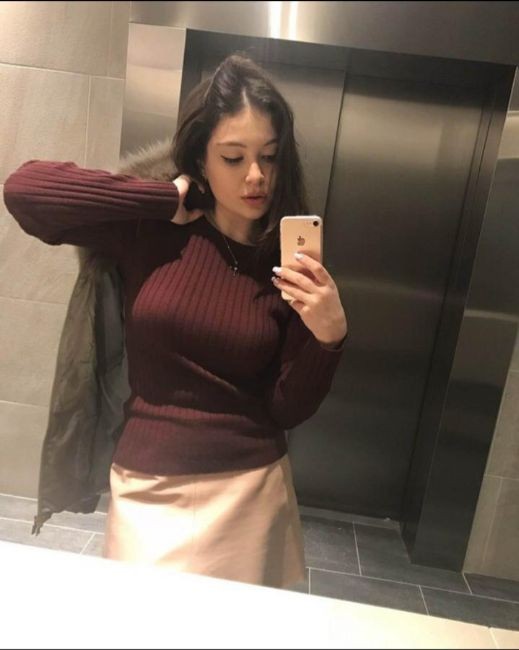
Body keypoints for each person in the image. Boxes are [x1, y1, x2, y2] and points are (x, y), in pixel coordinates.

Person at [3, 53, 348, 589]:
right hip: (147, 489)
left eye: (269, 156)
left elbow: (287, 408)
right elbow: (25, 193)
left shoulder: (288, 263)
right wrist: (161, 196)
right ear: (200, 159)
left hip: (251, 491)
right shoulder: (153, 230)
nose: (256, 176)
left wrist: (327, 340)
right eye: (233, 157)